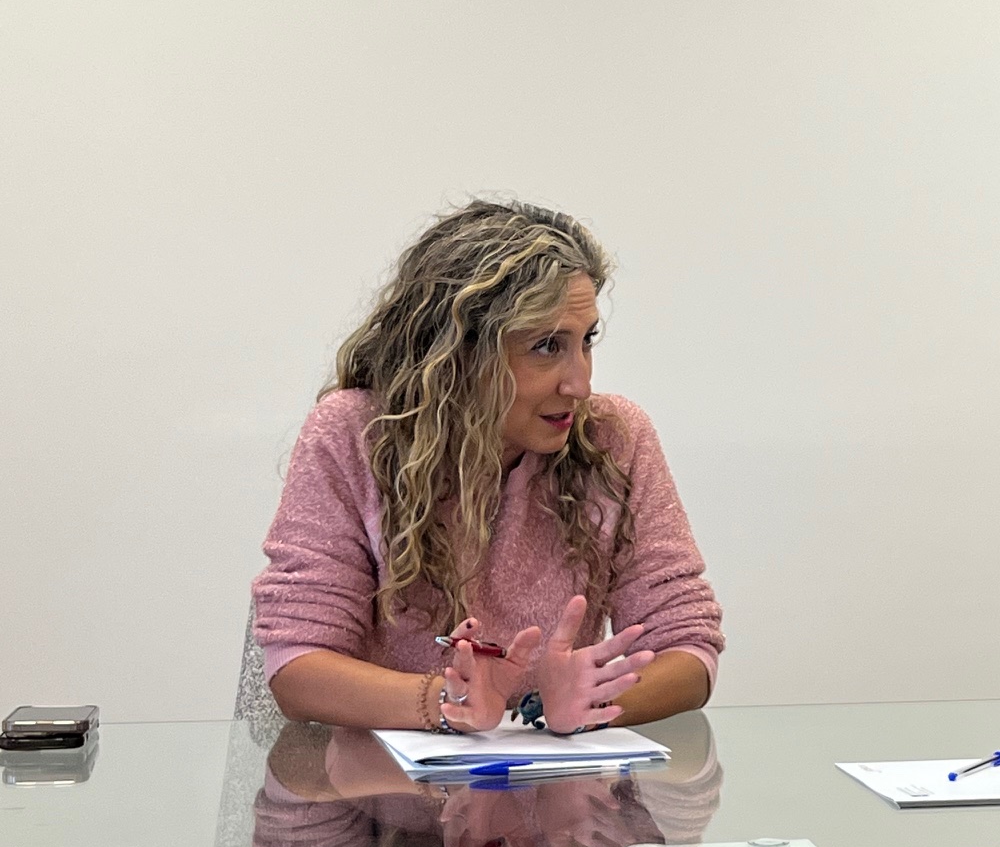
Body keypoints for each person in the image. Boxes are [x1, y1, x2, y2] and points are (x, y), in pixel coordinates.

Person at [254, 200, 723, 734]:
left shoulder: (615, 439)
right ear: (456, 353)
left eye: (586, 341)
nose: (580, 383)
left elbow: (689, 647)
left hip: (555, 785)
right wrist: (448, 701)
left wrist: (577, 707)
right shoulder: (354, 434)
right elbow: (297, 667)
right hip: (377, 781)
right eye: (547, 346)